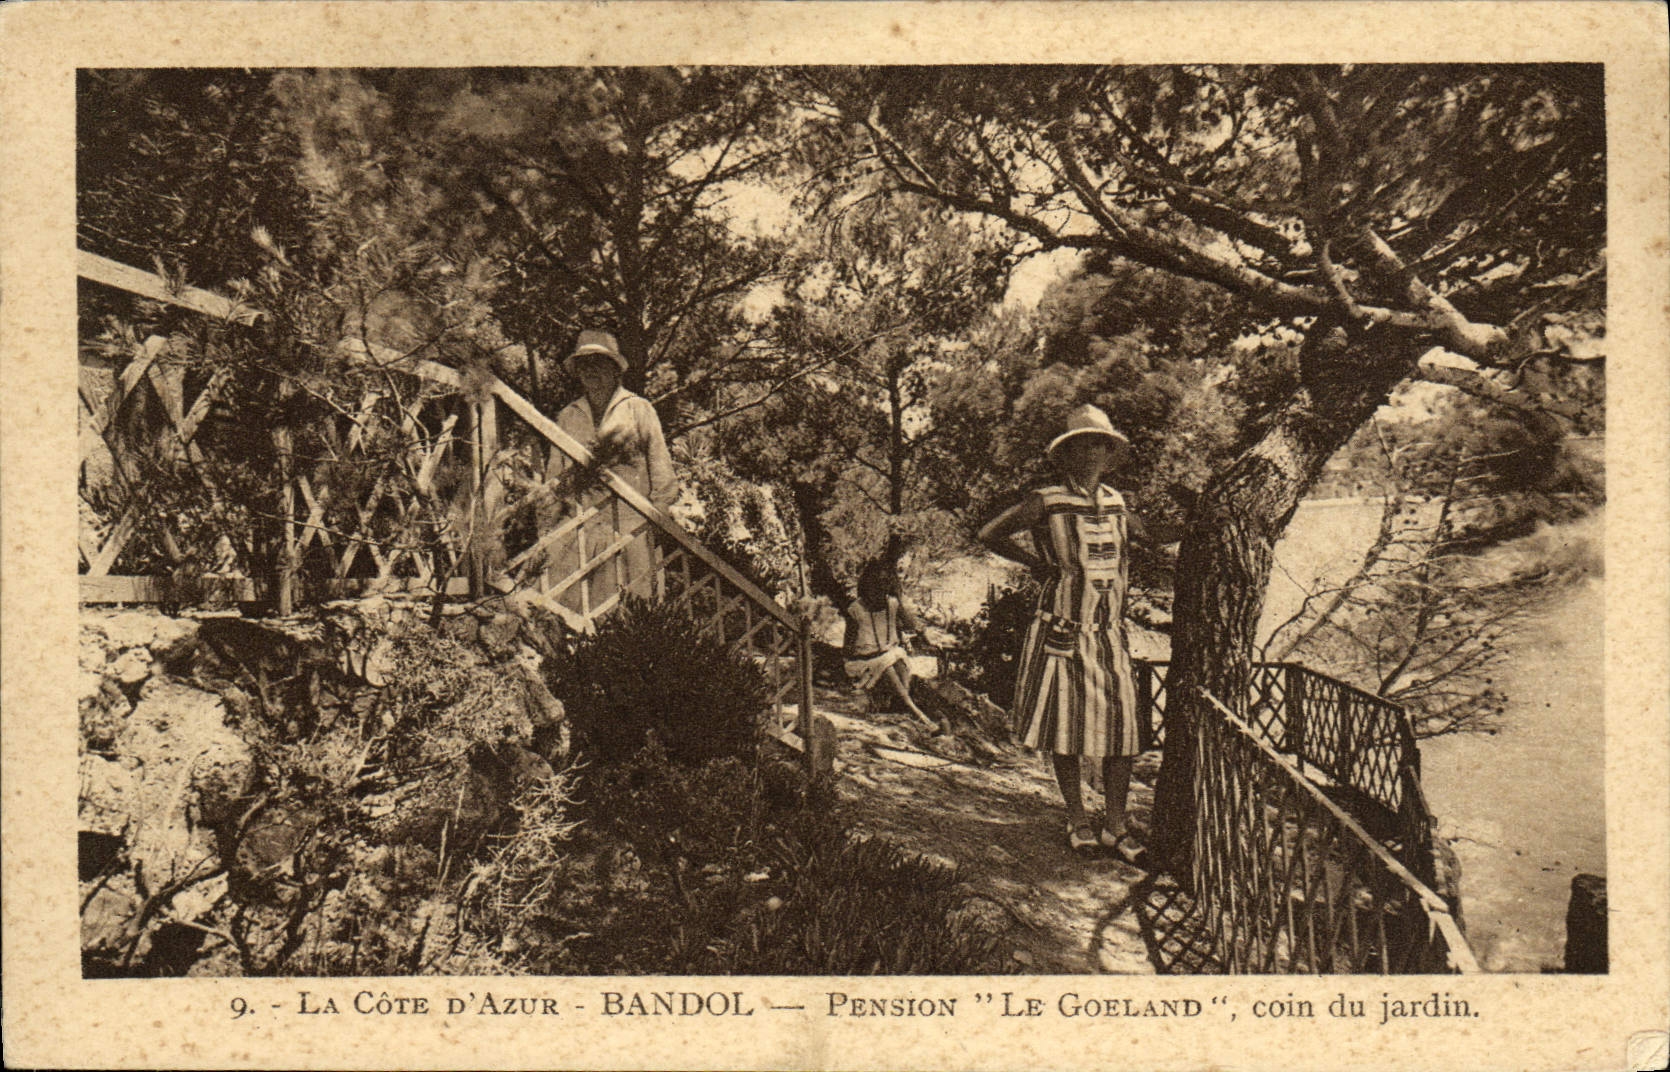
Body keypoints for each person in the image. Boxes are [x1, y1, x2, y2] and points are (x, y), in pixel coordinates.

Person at [977, 404, 1146, 862]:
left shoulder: (1115, 501)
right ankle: (1077, 819)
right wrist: (1036, 563)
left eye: (1099, 444)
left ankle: (1115, 824)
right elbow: (990, 532)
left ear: (1109, 453)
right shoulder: (1046, 500)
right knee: (1064, 728)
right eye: (1082, 444)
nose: (1091, 451)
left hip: (1109, 631)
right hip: (1062, 627)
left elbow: (1146, 536)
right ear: (1067, 454)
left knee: (1123, 731)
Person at [536, 330, 680, 615]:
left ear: (616, 370)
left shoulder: (638, 410)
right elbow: (556, 476)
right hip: (582, 525)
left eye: (600, 363)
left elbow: (662, 473)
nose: (592, 371)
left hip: (630, 526)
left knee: (631, 609)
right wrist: (549, 528)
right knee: (571, 610)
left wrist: (653, 519)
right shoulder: (568, 415)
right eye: (584, 364)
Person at [841, 559, 936, 728]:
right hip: (864, 661)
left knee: (898, 662)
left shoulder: (892, 604)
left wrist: (899, 602)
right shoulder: (855, 610)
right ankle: (917, 714)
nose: (880, 589)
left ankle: (901, 704)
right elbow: (848, 647)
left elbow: (910, 625)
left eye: (885, 583)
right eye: (876, 584)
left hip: (890, 654)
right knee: (888, 667)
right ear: (867, 585)